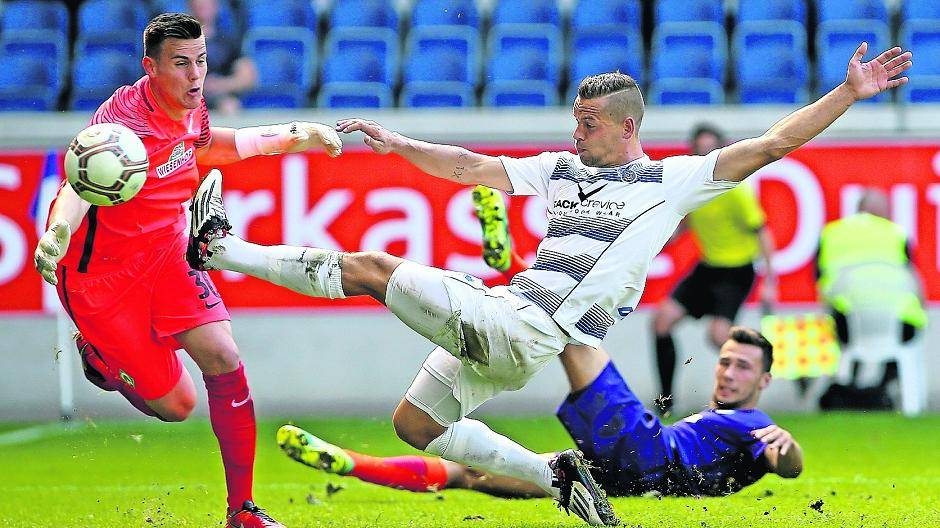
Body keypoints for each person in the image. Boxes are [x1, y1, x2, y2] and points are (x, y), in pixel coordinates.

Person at [184, 42, 910, 526]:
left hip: (525, 326)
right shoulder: (559, 170)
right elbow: (471, 168)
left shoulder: (673, 180)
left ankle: (219, 248)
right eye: (574, 119)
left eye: (589, 123)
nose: (576, 132)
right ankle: (554, 476)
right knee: (415, 427)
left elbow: (775, 143)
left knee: (371, 268)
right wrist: (401, 146)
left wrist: (848, 93)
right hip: (513, 331)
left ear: (627, 127)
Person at [32, 13, 341, 528]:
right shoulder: (122, 123)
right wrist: (58, 231)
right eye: (181, 63)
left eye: (200, 61)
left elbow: (209, 144)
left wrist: (293, 134)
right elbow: (78, 184)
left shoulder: (189, 105)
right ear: (150, 67)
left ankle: (241, 510)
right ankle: (101, 358)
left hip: (168, 252)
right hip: (101, 280)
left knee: (223, 355)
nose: (196, 75)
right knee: (176, 406)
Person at [276, 327, 802, 497]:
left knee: (569, 326)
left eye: (743, 367)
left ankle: (508, 263)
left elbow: (785, 463)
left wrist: (790, 452)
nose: (728, 373)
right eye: (725, 362)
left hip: (645, 451)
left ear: (764, 382)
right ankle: (351, 463)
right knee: (473, 475)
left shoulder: (754, 423)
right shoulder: (720, 428)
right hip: (618, 481)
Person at [651, 123, 778, 415]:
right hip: (708, 268)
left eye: (712, 150)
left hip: (736, 270)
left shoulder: (735, 191)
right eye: (701, 151)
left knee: (719, 336)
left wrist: (771, 282)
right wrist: (650, 246)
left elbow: (762, 232)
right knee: (661, 321)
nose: (706, 157)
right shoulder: (694, 188)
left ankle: (754, 377)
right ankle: (665, 402)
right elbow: (683, 225)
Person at [816, 188, 927, 409]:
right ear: (884, 212)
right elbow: (914, 282)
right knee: (906, 347)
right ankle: (886, 388)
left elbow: (820, 282)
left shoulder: (832, 233)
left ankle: (851, 387)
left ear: (859, 208)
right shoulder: (897, 233)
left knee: (842, 336)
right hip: (901, 326)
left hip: (848, 325)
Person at [188, 0, 257, 114]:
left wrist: (220, 85)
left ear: (216, 4)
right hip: (187, 98)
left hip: (217, 99)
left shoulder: (228, 40)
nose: (202, 4)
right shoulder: (178, 41)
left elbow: (248, 78)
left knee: (229, 106)